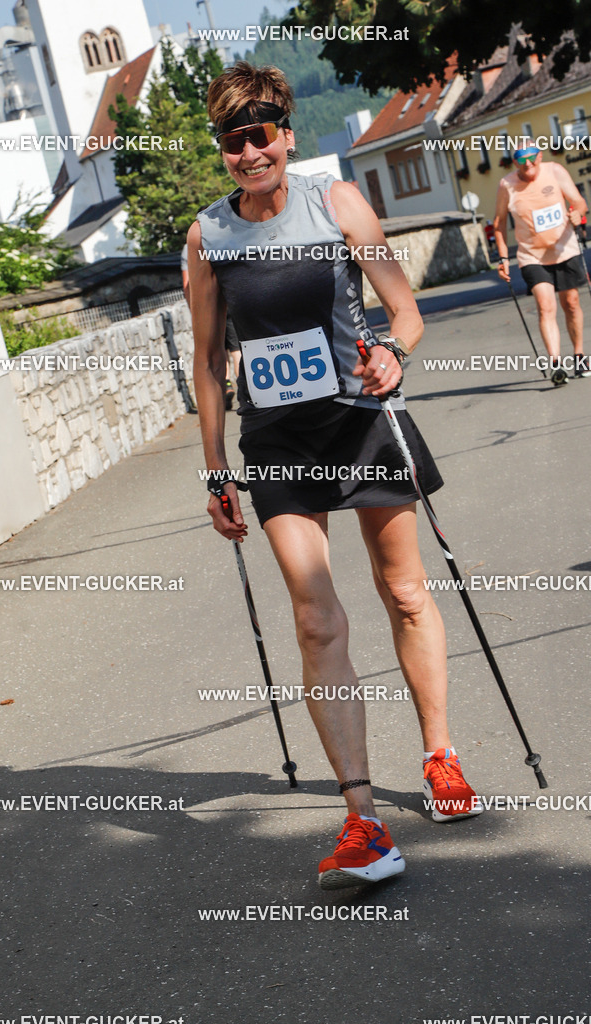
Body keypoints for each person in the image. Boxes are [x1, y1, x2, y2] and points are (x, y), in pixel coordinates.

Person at [187, 61, 483, 892]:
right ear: (222, 150)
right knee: (316, 622)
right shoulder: (209, 237)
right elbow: (209, 362)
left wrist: (391, 352)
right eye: (232, 140)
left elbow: (406, 308)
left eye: (261, 135)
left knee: (407, 593)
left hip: (362, 425)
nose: (249, 152)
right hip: (277, 442)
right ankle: (361, 819)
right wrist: (216, 470)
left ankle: (440, 757)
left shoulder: (338, 204)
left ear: (284, 134)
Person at [494, 143, 591, 384]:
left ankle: (579, 355)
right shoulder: (507, 185)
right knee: (545, 306)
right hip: (532, 256)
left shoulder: (555, 171)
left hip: (565, 249)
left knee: (571, 302)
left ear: (540, 156)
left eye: (532, 159)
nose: (528, 165)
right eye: (521, 160)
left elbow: (579, 202)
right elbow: (499, 222)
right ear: (515, 162)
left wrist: (577, 213)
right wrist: (504, 258)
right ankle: (556, 363)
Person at [182, 242, 241, 409]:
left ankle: (227, 384)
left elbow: (187, 284)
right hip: (229, 300)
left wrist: (195, 311)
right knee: (236, 350)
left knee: (220, 349)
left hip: (209, 305)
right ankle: (245, 388)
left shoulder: (189, 247)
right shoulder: (223, 238)